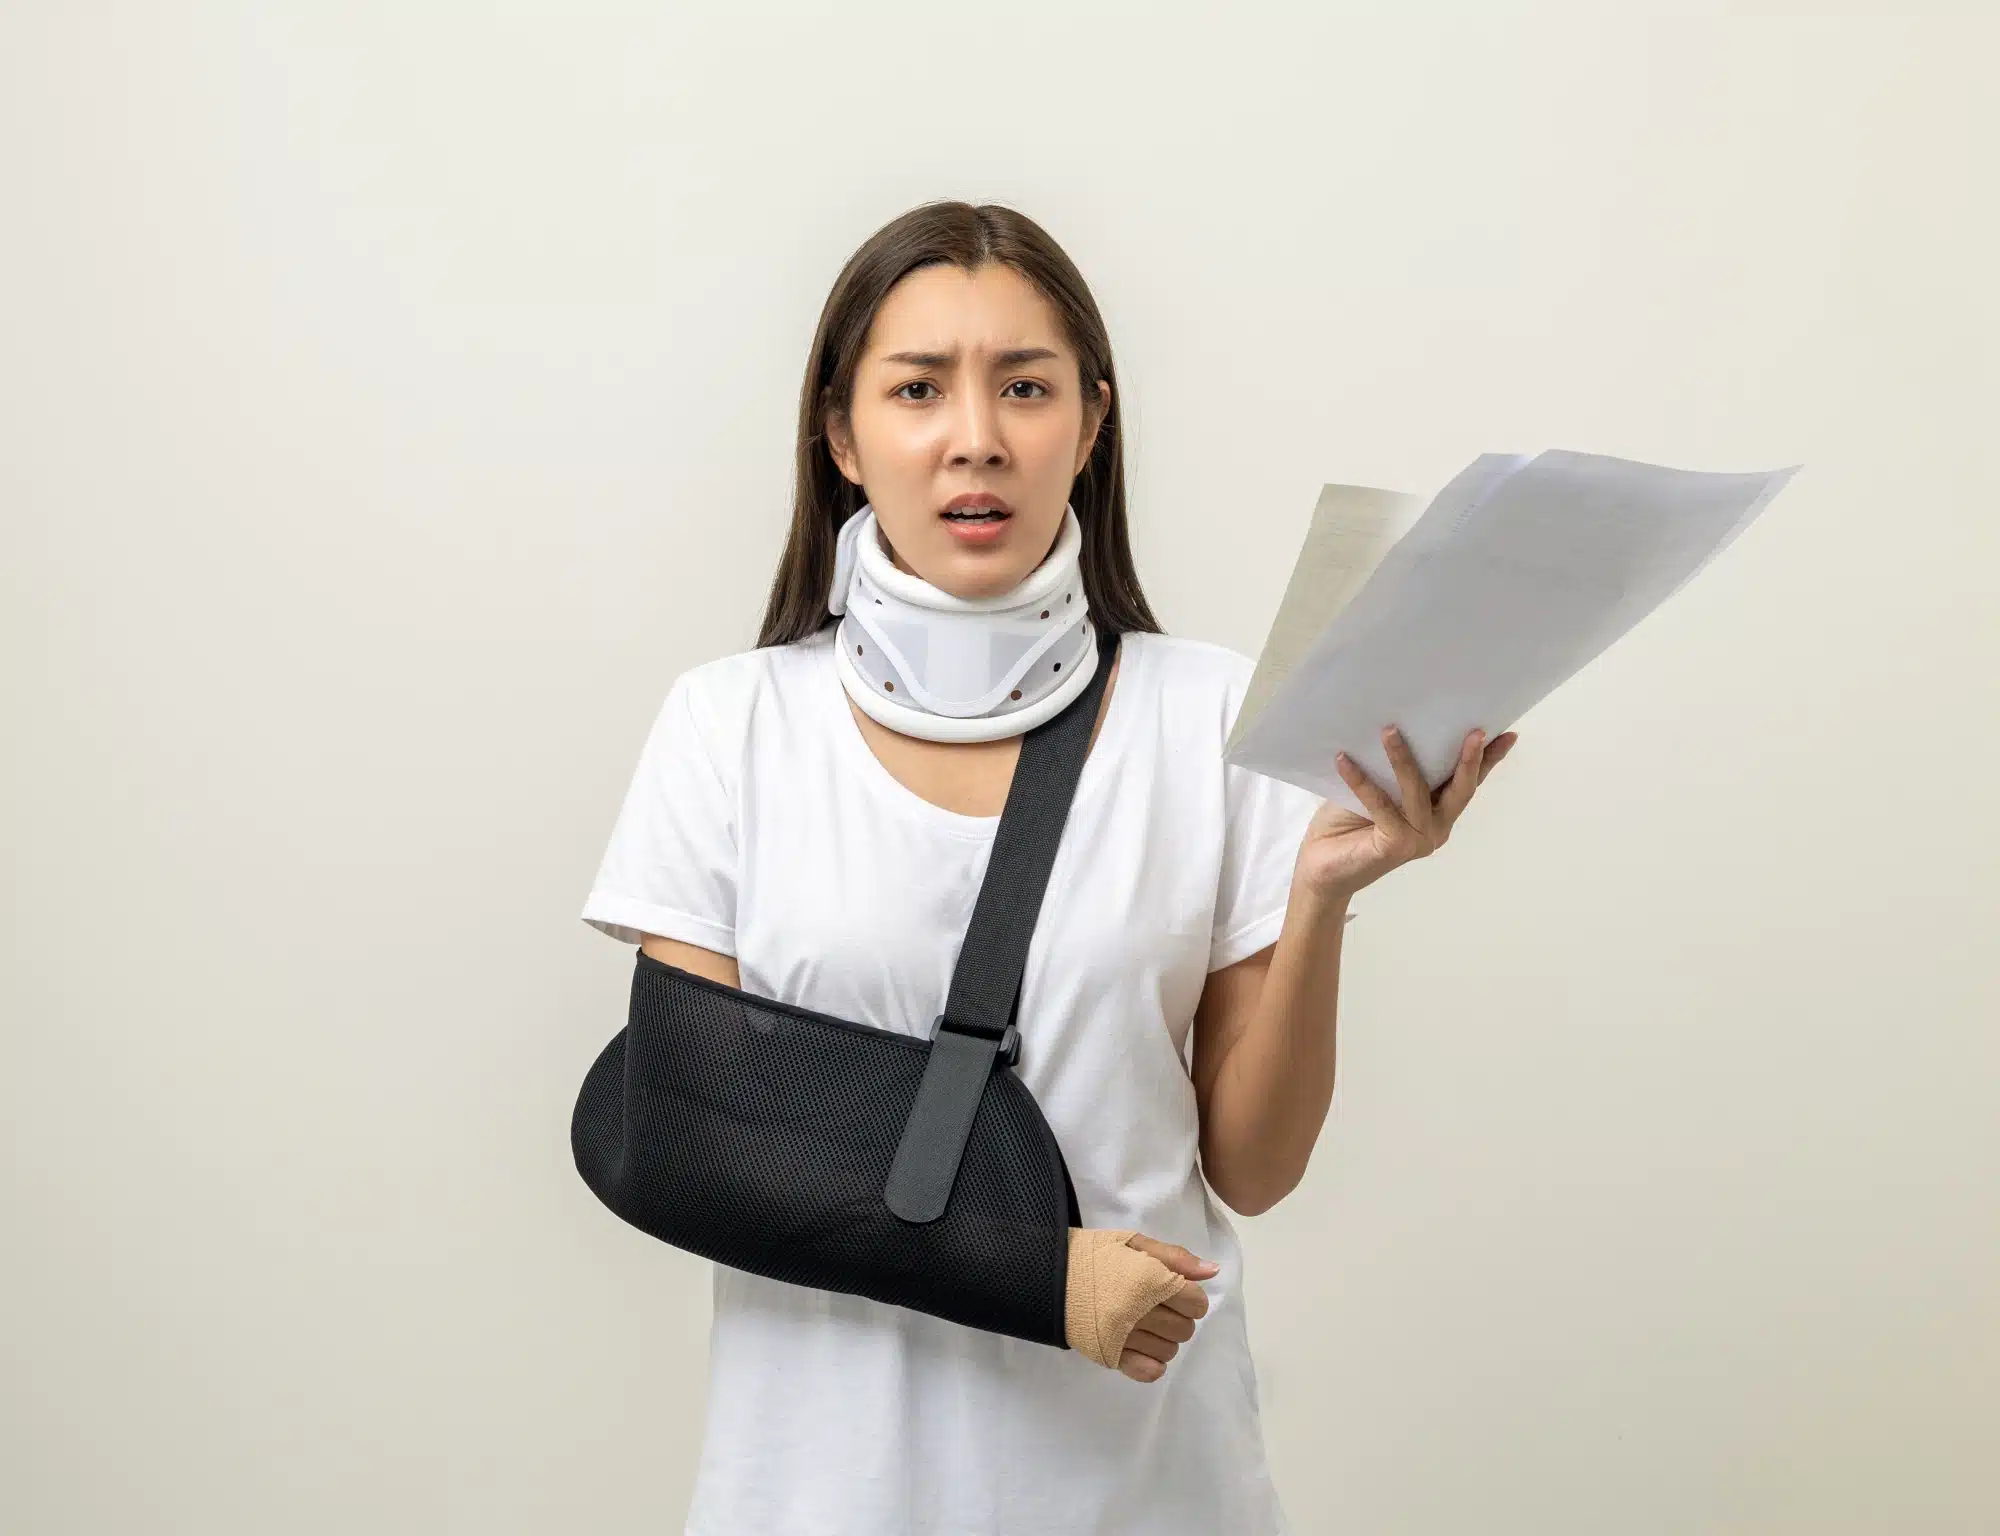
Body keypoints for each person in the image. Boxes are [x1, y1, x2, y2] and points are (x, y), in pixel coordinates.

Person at [579, 200, 1515, 1536]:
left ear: (1090, 422)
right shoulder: (730, 725)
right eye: (918, 390)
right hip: (820, 1493)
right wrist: (1036, 1278)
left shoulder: (1217, 719)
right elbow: (689, 1146)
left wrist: (1321, 896)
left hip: (1143, 1484)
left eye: (1027, 386)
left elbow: (1250, 1164)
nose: (978, 436)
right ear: (843, 435)